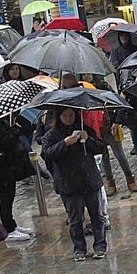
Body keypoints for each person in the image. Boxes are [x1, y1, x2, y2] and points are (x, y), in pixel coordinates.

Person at [0, 64, 39, 241]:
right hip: (0, 165)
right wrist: (13, 130)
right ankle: (8, 228)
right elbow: (0, 140)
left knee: (10, 194)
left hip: (7, 164)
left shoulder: (5, 119)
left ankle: (10, 223)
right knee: (6, 195)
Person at [41, 104, 108, 260]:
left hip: (89, 180)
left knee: (97, 216)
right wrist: (65, 143)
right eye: (65, 116)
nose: (69, 119)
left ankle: (100, 246)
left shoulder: (84, 129)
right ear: (59, 117)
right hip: (68, 183)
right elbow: (47, 154)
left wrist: (88, 139)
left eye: (71, 115)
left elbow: (100, 148)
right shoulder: (51, 135)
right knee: (75, 219)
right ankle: (79, 249)